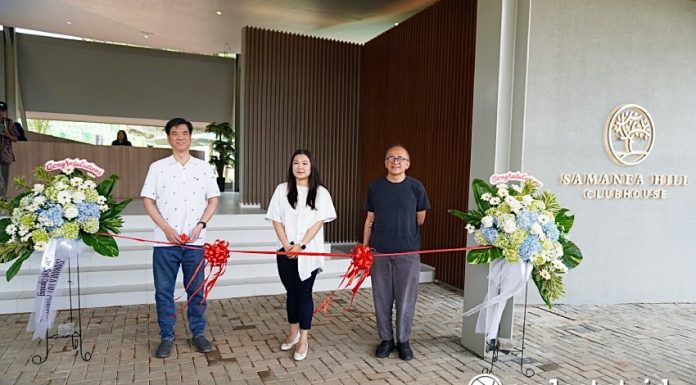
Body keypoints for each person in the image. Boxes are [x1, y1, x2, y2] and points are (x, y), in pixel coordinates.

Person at [141, 117, 220, 358]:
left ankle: (198, 332)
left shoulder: (203, 168)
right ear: (168, 138)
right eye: (174, 133)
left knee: (196, 290)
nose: (180, 137)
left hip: (194, 242)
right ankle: (166, 335)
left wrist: (201, 224)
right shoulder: (158, 167)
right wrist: (166, 228)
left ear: (190, 136)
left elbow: (213, 199)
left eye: (184, 133)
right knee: (163, 291)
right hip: (165, 242)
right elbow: (148, 201)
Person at [266, 149, 336, 361]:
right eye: (296, 163)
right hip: (285, 250)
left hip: (309, 251)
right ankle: (293, 333)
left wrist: (301, 245)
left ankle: (304, 339)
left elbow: (318, 222)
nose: (300, 167)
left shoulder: (321, 193)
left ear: (311, 166)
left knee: (304, 294)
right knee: (291, 293)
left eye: (304, 163)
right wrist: (287, 245)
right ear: (291, 166)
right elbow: (275, 219)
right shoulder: (282, 190)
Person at [363, 144, 430, 361]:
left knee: (406, 299)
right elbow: (369, 220)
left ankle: (403, 341)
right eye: (391, 158)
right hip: (379, 252)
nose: (396, 161)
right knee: (381, 299)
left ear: (408, 164)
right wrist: (365, 249)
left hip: (408, 254)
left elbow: (420, 218)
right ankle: (386, 340)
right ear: (385, 163)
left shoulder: (416, 188)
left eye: (401, 158)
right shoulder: (375, 187)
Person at [0, 101, 19, 197]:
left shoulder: (8, 122)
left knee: (4, 178)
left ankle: (2, 199)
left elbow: (16, 139)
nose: (0, 113)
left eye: (2, 111)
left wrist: (6, 134)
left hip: (5, 154)